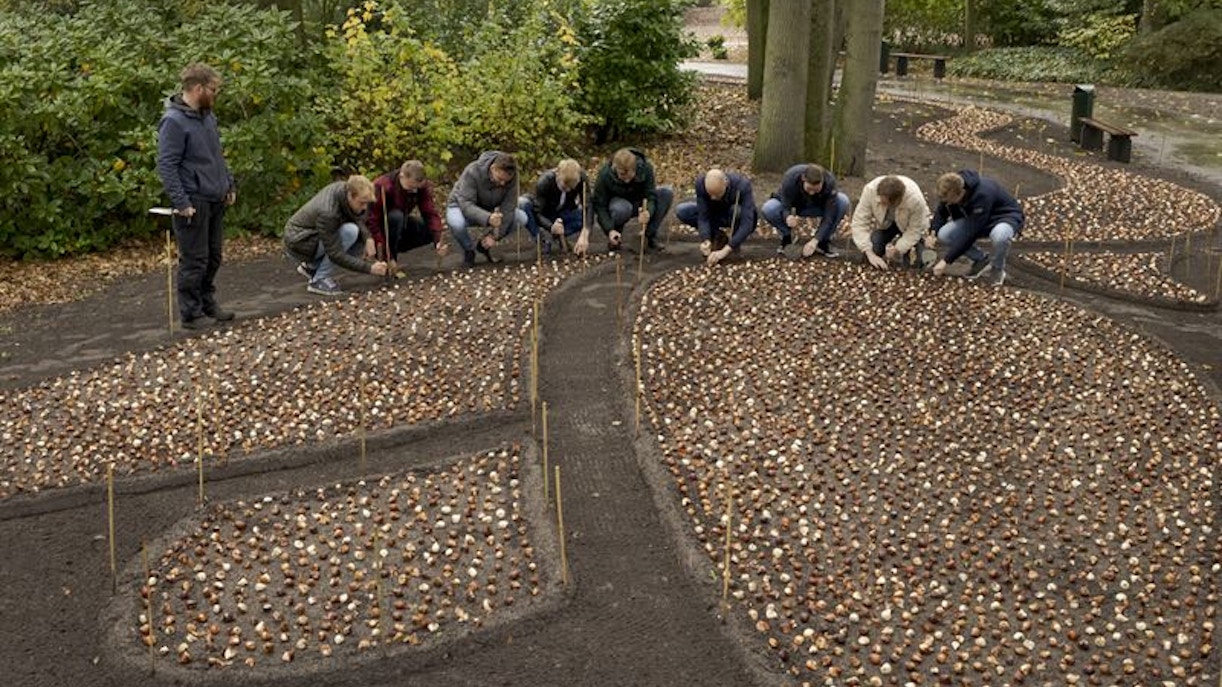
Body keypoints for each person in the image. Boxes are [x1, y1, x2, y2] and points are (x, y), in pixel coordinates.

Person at [156, 63, 237, 330]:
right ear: (198, 88)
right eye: (213, 90)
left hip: (215, 196)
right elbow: (167, 165)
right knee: (194, 259)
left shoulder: (207, 117)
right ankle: (190, 313)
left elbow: (217, 155)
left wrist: (229, 184)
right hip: (193, 200)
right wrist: (182, 202)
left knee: (214, 256)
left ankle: (207, 301)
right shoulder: (173, 122)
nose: (216, 95)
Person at [283, 175, 389, 296]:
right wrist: (369, 268)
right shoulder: (328, 213)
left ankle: (313, 267)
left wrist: (368, 238)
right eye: (362, 203)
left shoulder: (344, 191)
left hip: (311, 235)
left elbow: (355, 216)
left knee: (358, 235)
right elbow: (335, 254)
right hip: (299, 242)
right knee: (350, 232)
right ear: (350, 195)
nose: (365, 207)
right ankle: (319, 280)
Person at [928, 170, 1024, 286]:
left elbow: (970, 234)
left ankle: (997, 270)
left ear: (961, 193)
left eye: (950, 201)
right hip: (976, 218)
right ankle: (981, 260)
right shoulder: (951, 189)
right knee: (944, 234)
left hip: (1003, 217)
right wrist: (932, 233)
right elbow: (941, 213)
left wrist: (946, 260)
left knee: (1000, 237)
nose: (948, 203)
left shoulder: (982, 195)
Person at [446, 151, 529, 268]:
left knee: (521, 217)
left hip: (488, 209)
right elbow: (466, 204)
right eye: (500, 179)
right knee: (456, 224)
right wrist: (487, 217)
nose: (502, 183)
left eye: (506, 181)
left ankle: (484, 245)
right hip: (460, 206)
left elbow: (508, 208)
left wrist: (495, 235)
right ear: (493, 168)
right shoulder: (472, 171)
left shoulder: (513, 177)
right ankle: (469, 250)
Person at [366, 160, 448, 277]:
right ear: (402, 176)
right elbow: (371, 221)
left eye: (416, 188)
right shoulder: (382, 187)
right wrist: (386, 255)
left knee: (429, 230)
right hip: (382, 227)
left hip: (402, 223)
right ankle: (388, 259)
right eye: (410, 187)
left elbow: (429, 212)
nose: (412, 190)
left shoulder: (420, 187)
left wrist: (438, 240)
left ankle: (397, 248)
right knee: (396, 217)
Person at [588, 148, 674, 254]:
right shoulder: (605, 175)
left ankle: (647, 237)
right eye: (622, 176)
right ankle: (615, 237)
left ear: (635, 169)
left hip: (639, 202)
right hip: (619, 203)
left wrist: (648, 212)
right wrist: (609, 229)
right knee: (622, 208)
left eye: (629, 176)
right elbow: (600, 205)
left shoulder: (646, 169)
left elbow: (650, 196)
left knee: (666, 193)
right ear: (615, 168)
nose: (627, 180)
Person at [761, 163, 850, 258]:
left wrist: (816, 240)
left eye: (816, 190)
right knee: (769, 208)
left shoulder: (830, 182)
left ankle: (823, 241)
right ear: (803, 179)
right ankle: (787, 237)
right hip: (798, 206)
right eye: (809, 189)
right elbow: (785, 203)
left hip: (818, 207)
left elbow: (829, 216)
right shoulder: (791, 177)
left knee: (843, 201)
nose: (812, 193)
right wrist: (787, 216)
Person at [674, 169, 758, 266]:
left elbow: (747, 222)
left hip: (732, 215)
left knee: (738, 211)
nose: (713, 198)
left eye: (717, 194)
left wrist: (727, 250)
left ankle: (734, 246)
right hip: (713, 214)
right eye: (710, 194)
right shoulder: (700, 184)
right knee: (683, 210)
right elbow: (703, 216)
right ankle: (717, 237)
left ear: (725, 184)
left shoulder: (742, 185)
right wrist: (706, 239)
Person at [849, 175, 932, 271]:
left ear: (898, 201)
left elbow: (914, 231)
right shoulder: (870, 190)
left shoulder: (915, 200)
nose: (882, 203)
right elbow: (860, 222)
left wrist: (897, 249)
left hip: (908, 224)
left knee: (916, 261)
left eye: (885, 203)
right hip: (886, 224)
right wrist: (869, 253)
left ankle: (924, 251)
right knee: (873, 250)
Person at [519, 159, 591, 255]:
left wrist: (585, 233)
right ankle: (542, 239)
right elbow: (538, 212)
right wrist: (550, 226)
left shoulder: (581, 179)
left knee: (584, 218)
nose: (567, 190)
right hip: (545, 213)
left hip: (564, 212)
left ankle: (558, 236)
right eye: (565, 186)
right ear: (557, 174)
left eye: (571, 188)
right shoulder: (544, 182)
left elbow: (588, 206)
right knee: (523, 204)